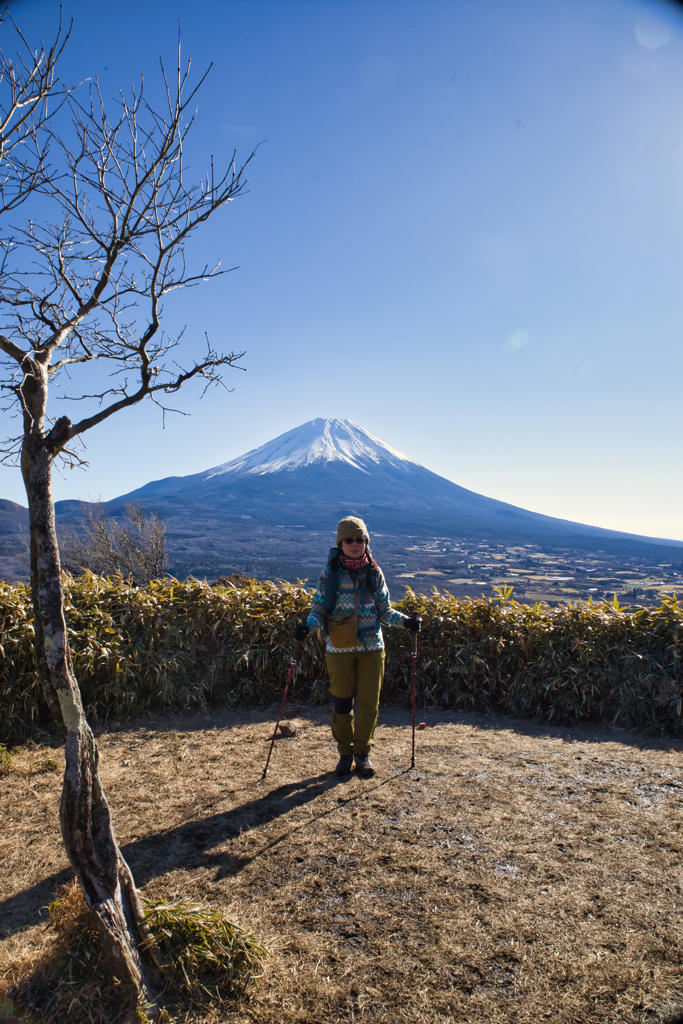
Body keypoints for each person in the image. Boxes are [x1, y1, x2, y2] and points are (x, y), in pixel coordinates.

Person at [294, 516, 421, 778]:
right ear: (340, 543)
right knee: (342, 704)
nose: (355, 544)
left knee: (368, 704)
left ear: (366, 542)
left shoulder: (374, 572)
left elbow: (385, 611)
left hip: (372, 648)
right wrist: (308, 626)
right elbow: (318, 608)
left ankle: (362, 754)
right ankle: (345, 753)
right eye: (349, 539)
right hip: (339, 650)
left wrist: (406, 622)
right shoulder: (329, 574)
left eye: (360, 539)